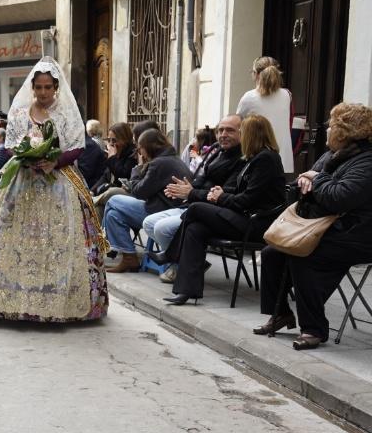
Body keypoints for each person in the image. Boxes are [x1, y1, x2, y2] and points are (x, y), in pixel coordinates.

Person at [0, 57, 109, 322]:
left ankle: (58, 297)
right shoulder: (21, 113)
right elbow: (10, 144)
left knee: (58, 238)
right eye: (39, 87)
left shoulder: (66, 113)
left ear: (56, 87)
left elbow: (78, 146)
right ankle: (10, 296)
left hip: (60, 182)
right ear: (33, 87)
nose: (43, 92)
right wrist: (26, 158)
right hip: (24, 180)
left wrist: (55, 161)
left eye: (48, 87)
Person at [255, 103, 372, 350]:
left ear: (345, 131)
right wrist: (304, 181)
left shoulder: (366, 161)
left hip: (357, 234)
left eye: (332, 125)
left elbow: (340, 196)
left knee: (303, 256)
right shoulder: (332, 155)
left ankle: (314, 328)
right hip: (323, 227)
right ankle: (281, 314)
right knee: (272, 253)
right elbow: (303, 184)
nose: (327, 129)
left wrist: (316, 179)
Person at [163, 114, 286, 305]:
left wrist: (221, 197)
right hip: (242, 217)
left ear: (253, 135)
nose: (240, 137)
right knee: (196, 229)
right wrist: (222, 192)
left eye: (242, 132)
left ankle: (171, 254)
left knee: (195, 209)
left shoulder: (266, 159)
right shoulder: (255, 158)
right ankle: (186, 291)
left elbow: (247, 199)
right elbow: (240, 192)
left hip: (256, 224)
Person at [144, 114, 246, 284]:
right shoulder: (217, 152)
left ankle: (181, 264)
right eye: (220, 130)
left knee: (162, 228)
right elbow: (201, 178)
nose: (223, 134)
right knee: (148, 223)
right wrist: (184, 190)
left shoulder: (243, 159)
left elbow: (225, 192)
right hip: (195, 204)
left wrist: (191, 192)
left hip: (215, 212)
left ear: (243, 133)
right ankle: (192, 261)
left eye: (230, 130)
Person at [103, 130, 188, 272]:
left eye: (140, 147)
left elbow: (139, 192)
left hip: (160, 211)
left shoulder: (159, 163)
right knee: (113, 214)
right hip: (164, 206)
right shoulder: (170, 159)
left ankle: (107, 243)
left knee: (113, 200)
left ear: (148, 147)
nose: (139, 152)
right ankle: (129, 258)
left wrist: (138, 168)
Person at [237, 56, 294, 175]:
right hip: (283, 157)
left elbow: (238, 123)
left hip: (258, 156)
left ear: (256, 74)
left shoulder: (249, 97)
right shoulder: (286, 95)